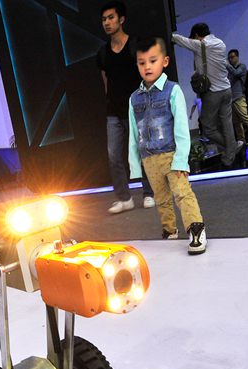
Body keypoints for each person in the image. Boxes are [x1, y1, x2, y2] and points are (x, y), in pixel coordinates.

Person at [128, 36, 207, 255]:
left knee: (182, 194)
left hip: (172, 156)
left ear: (165, 61)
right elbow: (134, 135)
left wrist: (181, 159)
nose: (147, 66)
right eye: (142, 62)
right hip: (149, 158)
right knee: (161, 199)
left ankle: (196, 229)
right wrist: (135, 165)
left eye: (152, 61)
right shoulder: (134, 98)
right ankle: (169, 231)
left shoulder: (172, 90)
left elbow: (181, 128)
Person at [96, 1, 155, 214]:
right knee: (114, 156)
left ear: (121, 19)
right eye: (104, 19)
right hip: (113, 111)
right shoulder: (103, 52)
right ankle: (124, 198)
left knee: (143, 153)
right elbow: (105, 80)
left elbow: (148, 74)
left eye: (111, 18)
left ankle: (149, 193)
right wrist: (109, 101)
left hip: (137, 109)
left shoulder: (135, 45)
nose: (107, 22)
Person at [172, 23, 241, 167]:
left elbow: (179, 40)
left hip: (212, 92)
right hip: (227, 90)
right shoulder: (221, 43)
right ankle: (230, 153)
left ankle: (231, 147)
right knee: (227, 123)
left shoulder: (200, 45)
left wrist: (168, 34)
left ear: (197, 35)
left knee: (207, 127)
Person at [227, 49, 248, 142]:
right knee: (236, 121)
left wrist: (227, 65)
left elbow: (236, 73)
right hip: (232, 99)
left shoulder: (242, 67)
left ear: (237, 57)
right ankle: (241, 138)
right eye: (229, 58)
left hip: (239, 97)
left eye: (232, 57)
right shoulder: (230, 71)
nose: (230, 59)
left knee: (245, 117)